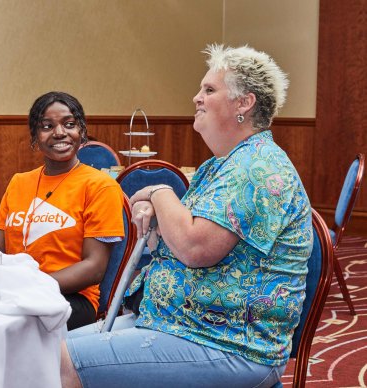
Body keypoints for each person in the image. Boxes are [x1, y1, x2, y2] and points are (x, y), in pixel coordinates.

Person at [60, 44, 313, 387]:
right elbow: (181, 233)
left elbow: (195, 247)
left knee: (62, 364)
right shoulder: (222, 165)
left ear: (244, 103)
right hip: (184, 324)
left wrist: (160, 192)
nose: (196, 98)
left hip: (230, 345)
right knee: (47, 352)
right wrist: (160, 213)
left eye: (209, 90)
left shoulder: (257, 167)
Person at [0, 91, 124, 330]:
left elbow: (95, 267)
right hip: (17, 293)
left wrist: (32, 285)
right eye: (47, 126)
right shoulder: (19, 182)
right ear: (35, 137)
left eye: (69, 124)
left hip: (71, 299)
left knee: (4, 325)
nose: (60, 132)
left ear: (81, 132)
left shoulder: (100, 185)